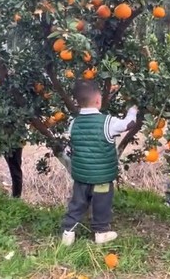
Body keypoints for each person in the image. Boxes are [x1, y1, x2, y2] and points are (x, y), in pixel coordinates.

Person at [61, 80, 137, 245]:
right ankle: (101, 232)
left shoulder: (73, 123)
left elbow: (70, 147)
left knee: (78, 203)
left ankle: (68, 232)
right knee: (102, 203)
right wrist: (132, 110)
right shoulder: (108, 122)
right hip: (102, 178)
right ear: (97, 101)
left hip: (81, 177)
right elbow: (129, 124)